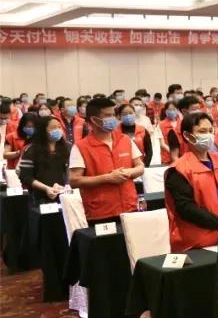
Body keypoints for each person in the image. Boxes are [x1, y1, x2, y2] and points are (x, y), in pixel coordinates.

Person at [164, 112, 218, 251]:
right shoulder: (178, 169)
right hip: (197, 243)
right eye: (202, 131)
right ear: (187, 135)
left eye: (210, 131)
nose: (208, 135)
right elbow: (185, 208)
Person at [69, 97, 144, 226]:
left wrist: (129, 172)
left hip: (129, 207)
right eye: (108, 116)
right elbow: (74, 180)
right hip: (100, 213)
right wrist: (107, 178)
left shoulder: (125, 139)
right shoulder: (81, 147)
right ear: (94, 120)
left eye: (113, 115)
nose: (113, 119)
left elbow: (140, 166)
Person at [18, 114, 70, 223]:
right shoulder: (32, 150)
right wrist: (46, 188)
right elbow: (25, 176)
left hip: (64, 196)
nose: (58, 130)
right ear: (43, 130)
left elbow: (70, 172)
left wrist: (66, 186)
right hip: (40, 198)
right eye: (53, 127)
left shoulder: (67, 147)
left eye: (59, 127)